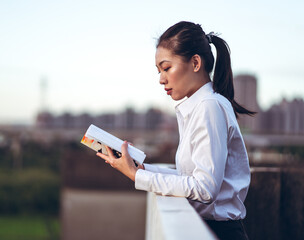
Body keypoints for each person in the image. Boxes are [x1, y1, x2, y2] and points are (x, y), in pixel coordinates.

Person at [97, 21, 254, 240]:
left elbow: (205, 188)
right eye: (159, 71)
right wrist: (143, 169)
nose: (161, 79)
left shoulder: (209, 106)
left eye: (167, 67)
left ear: (195, 63)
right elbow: (188, 177)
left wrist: (137, 176)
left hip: (219, 232)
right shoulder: (199, 107)